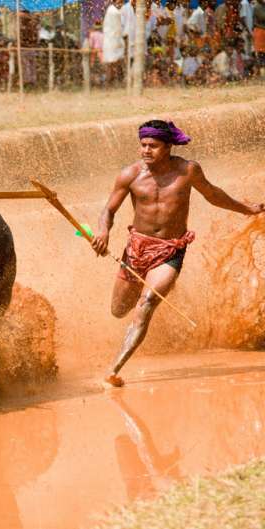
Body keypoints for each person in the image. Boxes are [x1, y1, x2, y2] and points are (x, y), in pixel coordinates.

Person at [92, 120, 264, 387]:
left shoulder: (188, 170)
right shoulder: (130, 175)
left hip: (170, 249)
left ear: (168, 147)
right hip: (137, 249)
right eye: (143, 145)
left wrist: (247, 209)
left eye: (153, 146)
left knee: (147, 302)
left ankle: (114, 370)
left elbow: (213, 195)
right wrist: (103, 232)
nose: (146, 150)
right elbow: (108, 210)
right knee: (118, 310)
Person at [103, 0, 126, 84]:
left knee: (113, 63)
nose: (121, 4)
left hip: (112, 41)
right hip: (113, 41)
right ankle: (110, 82)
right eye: (119, 2)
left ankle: (112, 82)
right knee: (113, 63)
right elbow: (118, 29)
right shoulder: (114, 12)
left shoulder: (112, 10)